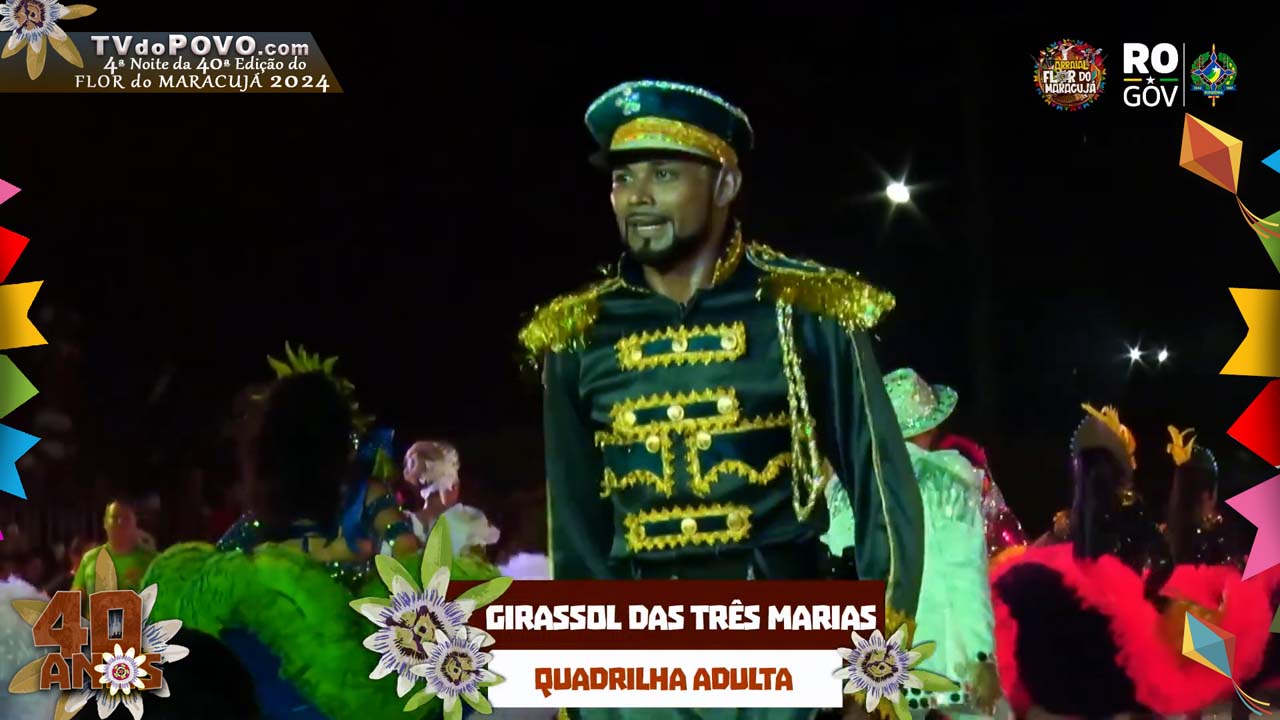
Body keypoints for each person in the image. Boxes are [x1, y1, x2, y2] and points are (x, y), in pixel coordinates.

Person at [519, 79, 924, 720]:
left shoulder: (806, 308)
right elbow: (575, 529)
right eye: (623, 178)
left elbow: (884, 493)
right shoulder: (577, 334)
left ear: (725, 185)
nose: (638, 197)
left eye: (663, 173)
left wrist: (873, 670)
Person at [988, 405, 1278, 716]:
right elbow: (1161, 562)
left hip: (1080, 636)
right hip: (1134, 635)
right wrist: (1147, 594)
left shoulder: (1068, 525)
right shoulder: (1137, 516)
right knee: (1180, 669)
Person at [875, 369, 996, 717]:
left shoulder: (846, 487)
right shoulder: (948, 479)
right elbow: (965, 571)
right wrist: (981, 657)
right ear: (929, 427)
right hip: (940, 667)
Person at [72, 500, 158, 602]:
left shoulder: (153, 561)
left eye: (126, 518)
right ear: (105, 522)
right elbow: (74, 599)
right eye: (114, 517)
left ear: (135, 522)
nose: (120, 522)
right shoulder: (89, 558)